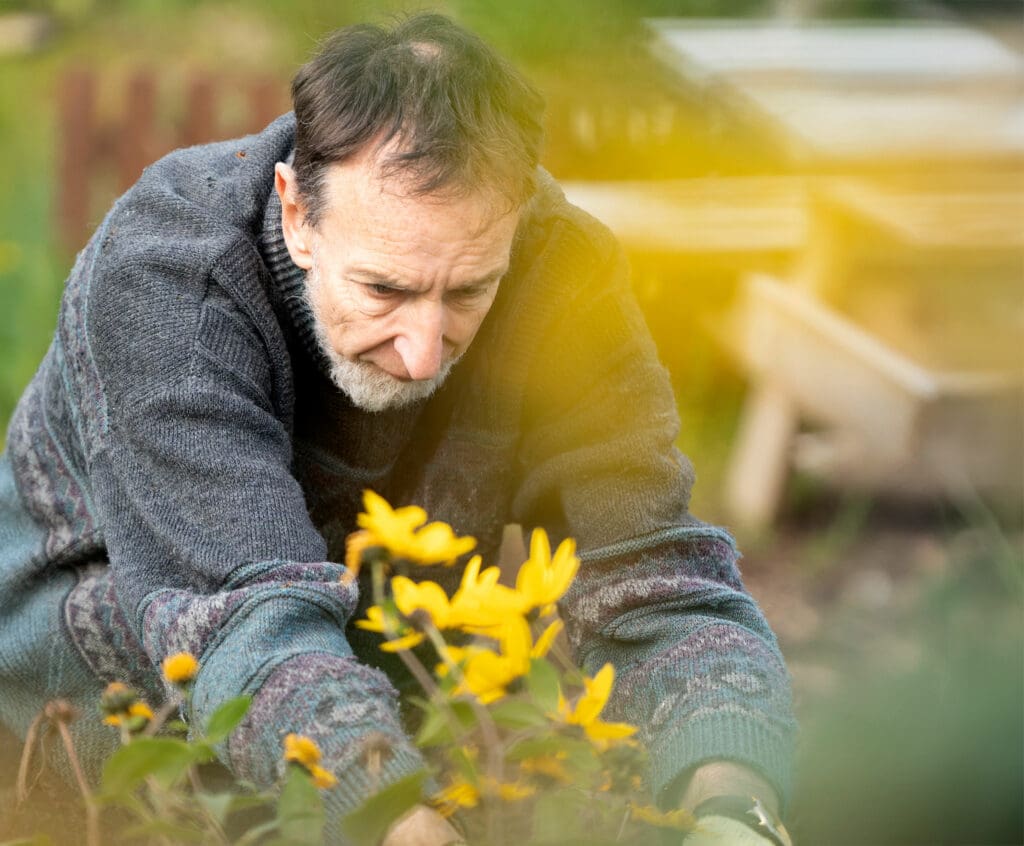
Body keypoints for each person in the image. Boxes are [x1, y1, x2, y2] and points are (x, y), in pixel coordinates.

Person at [0, 14, 794, 845]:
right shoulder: (170, 281)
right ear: (297, 213)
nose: (422, 356)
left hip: (383, 664)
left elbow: (653, 570)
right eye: (384, 291)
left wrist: (733, 800)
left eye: (466, 295)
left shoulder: (564, 271)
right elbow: (243, 613)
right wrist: (393, 814)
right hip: (102, 681)